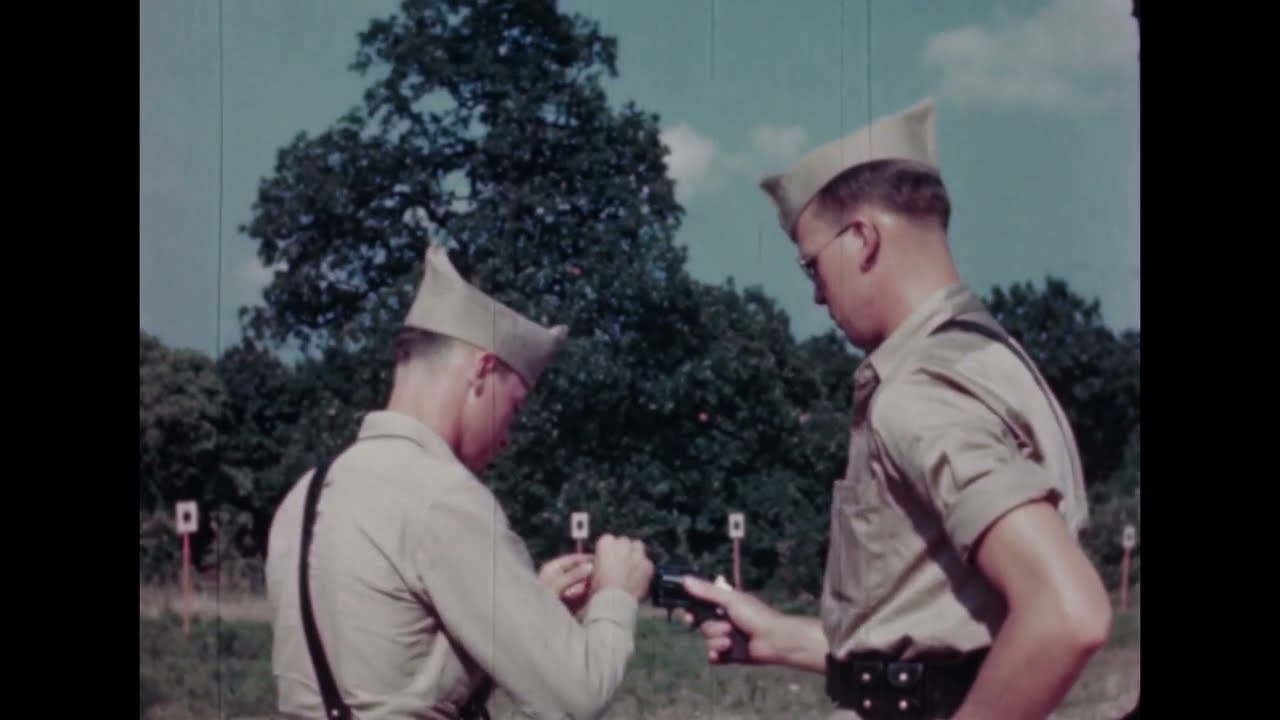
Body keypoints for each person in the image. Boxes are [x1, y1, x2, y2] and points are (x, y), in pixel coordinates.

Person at [679, 98, 1114, 719]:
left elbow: (1067, 613)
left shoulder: (920, 390)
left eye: (812, 266)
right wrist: (785, 637)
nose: (817, 295)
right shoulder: (995, 361)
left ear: (861, 239)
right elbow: (949, 633)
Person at [265, 244, 654, 720]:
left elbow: (398, 678)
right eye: (512, 409)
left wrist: (529, 605)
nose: (508, 437)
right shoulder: (443, 496)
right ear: (482, 370)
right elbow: (577, 696)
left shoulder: (304, 495)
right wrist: (617, 594)